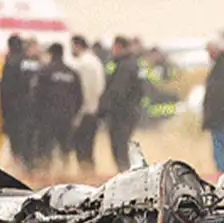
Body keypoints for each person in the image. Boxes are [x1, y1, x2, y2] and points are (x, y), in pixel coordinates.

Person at [30, 43, 83, 169]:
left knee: (45, 148)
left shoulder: (44, 71)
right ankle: (65, 173)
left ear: (51, 54)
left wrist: (37, 114)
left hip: (47, 117)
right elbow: (79, 97)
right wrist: (73, 113)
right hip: (66, 117)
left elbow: (37, 95)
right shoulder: (72, 73)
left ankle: (45, 173)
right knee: (65, 149)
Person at [100, 36, 144, 172]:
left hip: (121, 115)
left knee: (119, 147)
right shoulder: (132, 64)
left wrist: (106, 108)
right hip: (129, 113)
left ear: (119, 47)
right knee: (122, 145)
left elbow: (118, 92)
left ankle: (124, 174)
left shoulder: (124, 66)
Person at [201, 39, 224, 174]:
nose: (208, 55)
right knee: (218, 151)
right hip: (216, 118)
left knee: (223, 152)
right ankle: (222, 174)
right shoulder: (219, 67)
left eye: (210, 51)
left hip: (221, 117)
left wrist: (213, 113)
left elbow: (223, 94)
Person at [69, 34, 105, 171]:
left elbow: (84, 91)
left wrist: (78, 115)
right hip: (94, 110)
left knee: (82, 150)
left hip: (85, 112)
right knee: (89, 149)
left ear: (77, 45)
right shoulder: (96, 61)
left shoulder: (83, 64)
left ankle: (86, 177)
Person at [0, 35, 37, 167]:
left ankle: (20, 170)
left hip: (14, 111)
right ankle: (32, 169)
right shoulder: (32, 62)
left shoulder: (10, 63)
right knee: (30, 143)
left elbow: (5, 91)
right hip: (32, 110)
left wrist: (4, 114)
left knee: (16, 145)